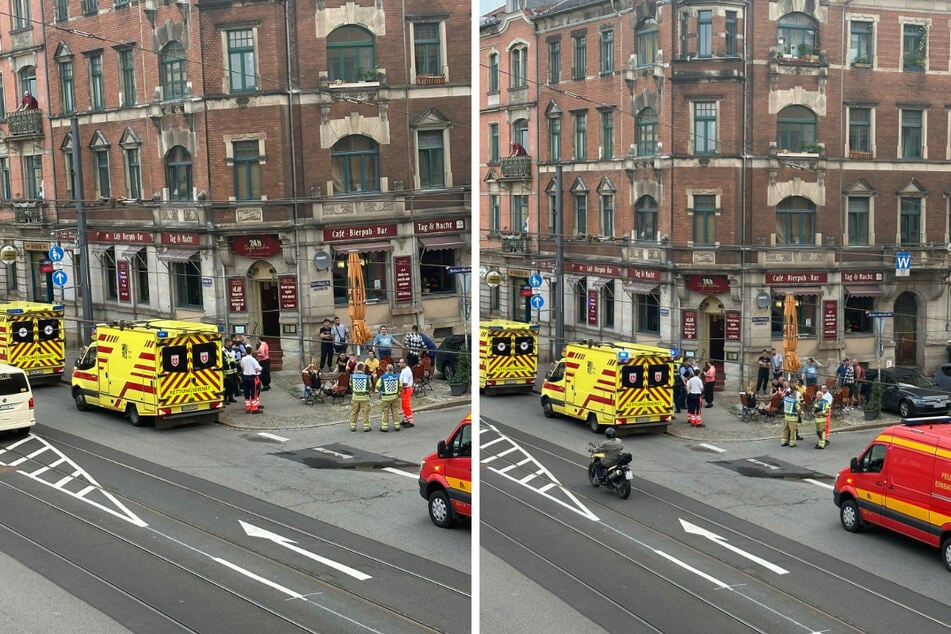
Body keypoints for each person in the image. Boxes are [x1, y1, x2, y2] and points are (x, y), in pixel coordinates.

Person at [378, 363, 401, 432]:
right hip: (394, 397)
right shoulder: (397, 376)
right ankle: (397, 426)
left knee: (385, 412)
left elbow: (377, 386)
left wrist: (381, 390)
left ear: (386, 369)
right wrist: (398, 392)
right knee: (395, 411)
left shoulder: (382, 377)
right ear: (393, 369)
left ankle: (384, 427)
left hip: (385, 397)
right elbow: (400, 386)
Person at [349, 363, 372, 432]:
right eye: (364, 367)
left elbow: (350, 385)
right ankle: (366, 426)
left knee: (354, 412)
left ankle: (353, 426)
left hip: (355, 397)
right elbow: (370, 386)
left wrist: (355, 391)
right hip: (364, 397)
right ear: (362, 368)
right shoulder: (367, 377)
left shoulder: (352, 376)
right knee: (366, 412)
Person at [813, 384, 834, 449]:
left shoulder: (828, 396)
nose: (823, 389)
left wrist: (820, 413)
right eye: (822, 388)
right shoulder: (817, 400)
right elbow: (815, 407)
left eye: (824, 388)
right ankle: (822, 441)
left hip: (823, 417)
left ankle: (824, 441)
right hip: (818, 419)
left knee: (824, 428)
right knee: (819, 431)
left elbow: (828, 408)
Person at [398, 357, 415, 428]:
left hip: (406, 389)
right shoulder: (404, 370)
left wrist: (398, 385)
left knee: (407, 405)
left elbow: (405, 383)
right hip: (405, 389)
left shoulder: (407, 371)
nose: (399, 364)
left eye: (401, 362)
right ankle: (405, 420)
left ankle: (410, 421)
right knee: (404, 405)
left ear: (404, 363)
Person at [222, 338, 238, 404]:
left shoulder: (232, 350)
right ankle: (225, 399)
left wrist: (236, 362)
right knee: (228, 386)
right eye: (230, 342)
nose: (231, 343)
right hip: (227, 371)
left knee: (233, 384)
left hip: (234, 370)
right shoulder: (223, 351)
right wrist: (232, 362)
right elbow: (224, 361)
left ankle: (231, 397)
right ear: (226, 342)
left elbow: (234, 358)